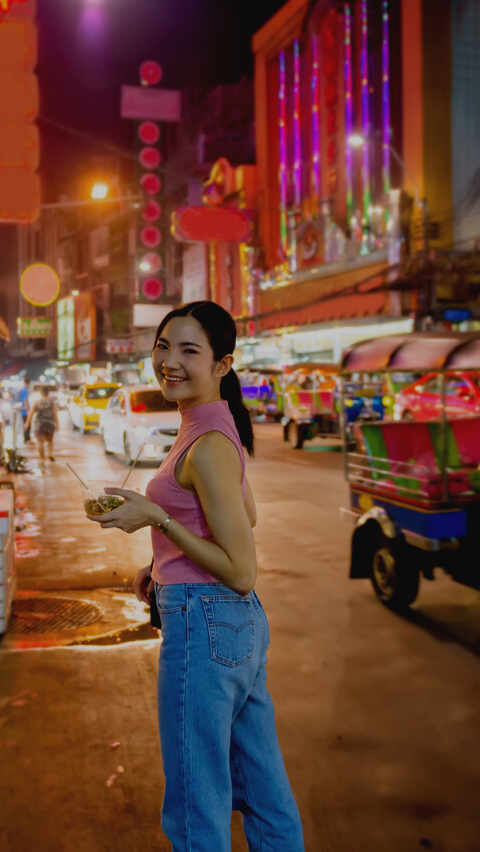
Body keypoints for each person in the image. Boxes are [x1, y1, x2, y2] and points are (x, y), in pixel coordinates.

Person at [86, 300, 304, 851]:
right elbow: (240, 513)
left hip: (206, 625)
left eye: (189, 350)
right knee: (262, 791)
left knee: (195, 803)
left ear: (223, 364)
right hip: (233, 629)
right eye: (163, 346)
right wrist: (160, 562)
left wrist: (156, 517)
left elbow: (241, 570)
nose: (170, 362)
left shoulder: (206, 443)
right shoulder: (214, 425)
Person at [24, 385, 57, 472]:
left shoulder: (37, 402)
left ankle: (42, 459)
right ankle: (50, 454)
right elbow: (54, 414)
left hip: (40, 425)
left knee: (40, 442)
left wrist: (27, 423)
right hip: (49, 424)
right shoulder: (51, 402)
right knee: (50, 440)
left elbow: (31, 413)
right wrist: (56, 423)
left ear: (41, 393)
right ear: (48, 393)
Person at [19, 377, 33, 443]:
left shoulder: (23, 389)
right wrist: (27, 410)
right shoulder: (25, 390)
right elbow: (25, 400)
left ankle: (27, 438)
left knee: (26, 424)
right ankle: (27, 439)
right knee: (27, 425)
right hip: (25, 411)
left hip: (23, 410)